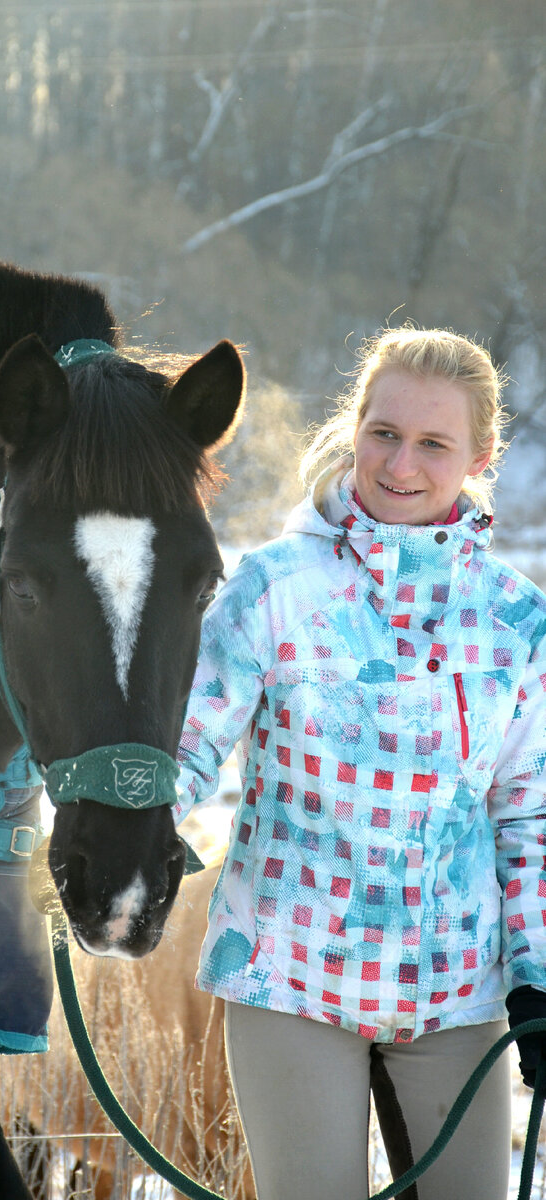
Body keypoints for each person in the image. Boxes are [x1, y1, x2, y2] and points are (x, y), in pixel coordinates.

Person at [173, 327, 546, 1200]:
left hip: (456, 990)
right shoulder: (272, 587)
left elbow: (528, 817)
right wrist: (128, 827)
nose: (400, 463)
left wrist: (535, 978)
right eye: (383, 433)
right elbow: (183, 746)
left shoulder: (514, 619)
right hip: (289, 972)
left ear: (479, 456)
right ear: (355, 429)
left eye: (431, 443)